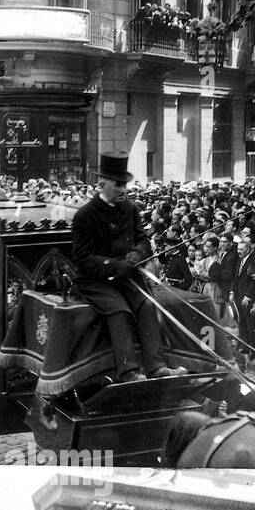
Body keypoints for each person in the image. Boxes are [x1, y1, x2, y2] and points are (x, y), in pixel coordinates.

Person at [71, 153, 185, 383]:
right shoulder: (85, 215)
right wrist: (115, 265)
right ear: (102, 183)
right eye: (118, 184)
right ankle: (128, 371)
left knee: (145, 304)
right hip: (95, 281)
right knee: (120, 310)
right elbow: (82, 258)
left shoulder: (130, 209)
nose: (123, 189)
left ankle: (157, 366)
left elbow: (143, 241)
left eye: (124, 184)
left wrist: (135, 255)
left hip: (127, 276)